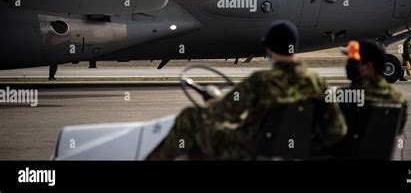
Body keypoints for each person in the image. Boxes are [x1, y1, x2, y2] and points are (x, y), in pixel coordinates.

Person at [147, 20, 347, 160]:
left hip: (250, 150)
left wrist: (212, 100)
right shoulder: (318, 83)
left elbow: (219, 113)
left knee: (190, 117)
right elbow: (337, 131)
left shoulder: (260, 81)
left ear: (269, 49)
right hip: (298, 152)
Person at [346, 40, 408, 134]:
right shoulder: (398, 98)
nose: (351, 65)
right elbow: (398, 130)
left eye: (357, 62)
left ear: (368, 66)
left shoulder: (347, 96)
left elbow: (336, 131)